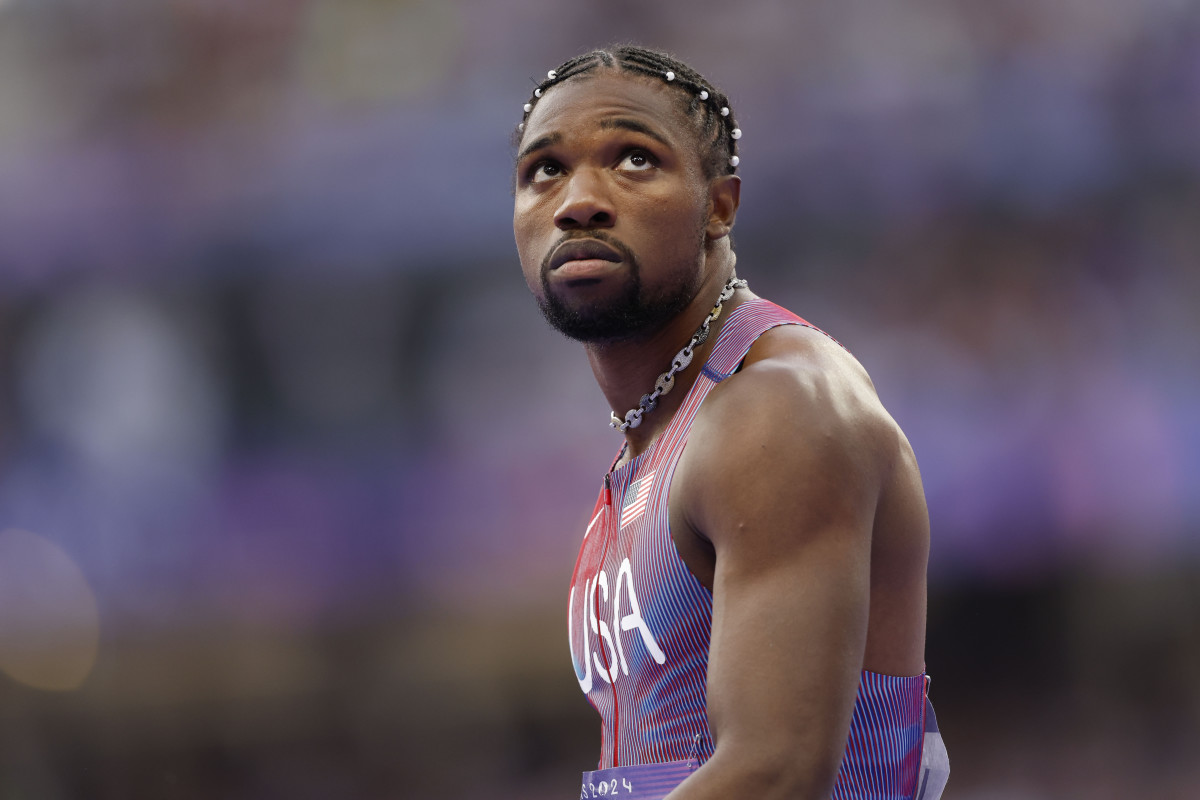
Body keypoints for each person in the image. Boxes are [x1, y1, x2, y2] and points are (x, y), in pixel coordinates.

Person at [512, 45, 949, 800]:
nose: (578, 199)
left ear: (720, 206)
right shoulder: (651, 439)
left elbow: (775, 772)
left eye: (635, 159)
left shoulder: (777, 409)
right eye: (544, 169)